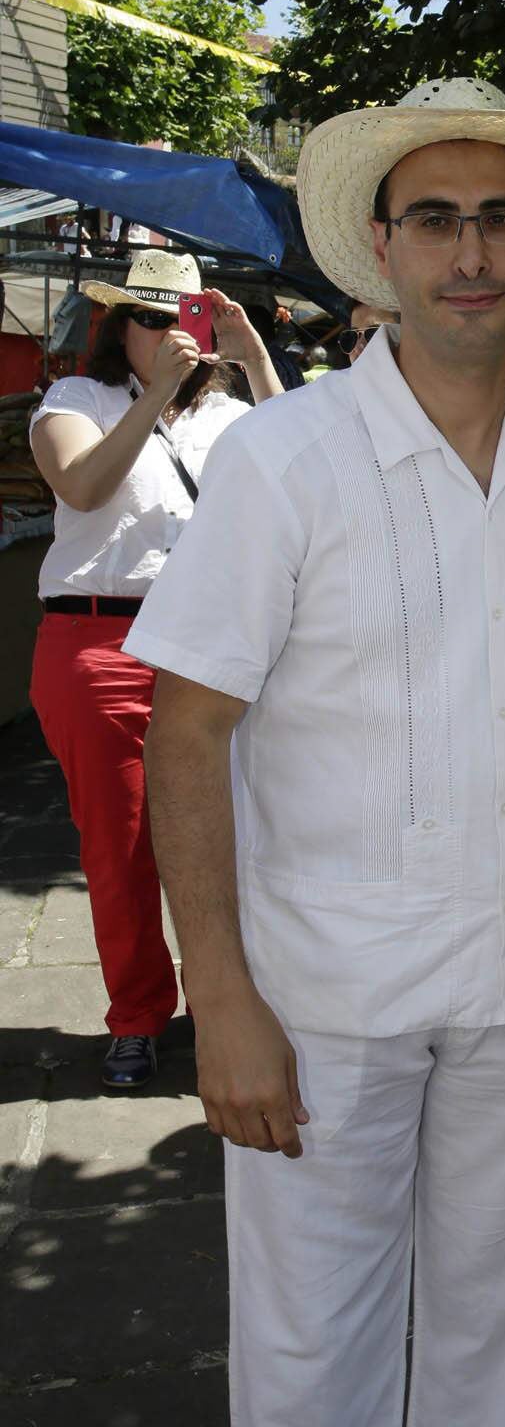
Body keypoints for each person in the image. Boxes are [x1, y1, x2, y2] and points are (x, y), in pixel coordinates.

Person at [126, 75, 505, 1427]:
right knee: (311, 1363)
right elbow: (189, 731)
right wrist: (218, 995)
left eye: (499, 217)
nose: (469, 252)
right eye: (437, 219)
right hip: (320, 995)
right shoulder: (284, 461)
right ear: (381, 246)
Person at [27, 251, 283, 1090]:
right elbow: (84, 485)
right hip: (102, 647)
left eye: (181, 319)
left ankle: (227, 1004)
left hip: (215, 647)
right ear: (117, 326)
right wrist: (153, 401)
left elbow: (311, 473)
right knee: (123, 846)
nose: (167, 334)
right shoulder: (77, 402)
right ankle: (136, 1014)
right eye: (147, 318)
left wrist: (254, 359)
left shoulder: (231, 416)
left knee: (239, 835)